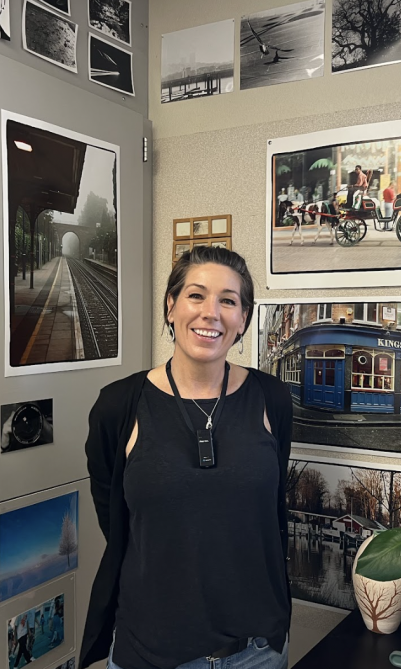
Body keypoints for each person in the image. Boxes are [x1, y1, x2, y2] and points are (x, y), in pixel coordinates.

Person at [80, 246, 292, 669]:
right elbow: (116, 518)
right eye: (196, 295)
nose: (211, 312)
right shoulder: (119, 406)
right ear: (171, 305)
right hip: (151, 652)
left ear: (243, 319)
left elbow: (268, 510)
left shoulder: (272, 399)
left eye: (228, 301)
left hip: (257, 652)